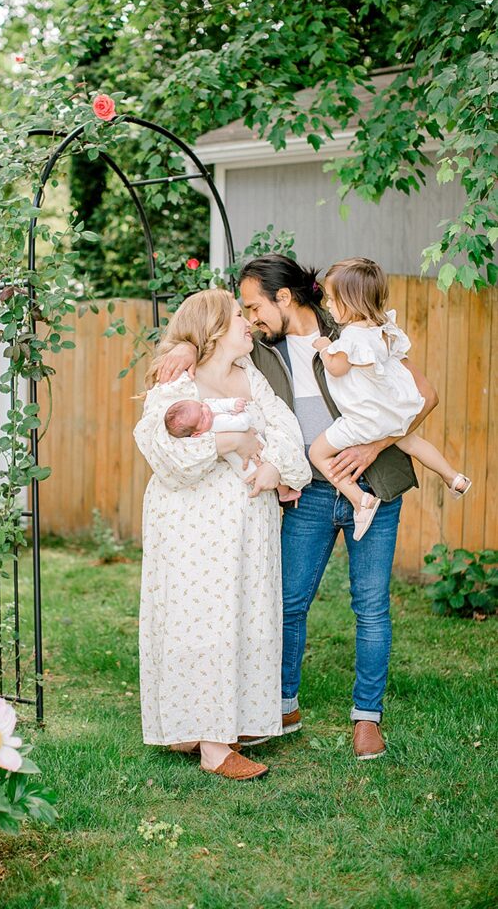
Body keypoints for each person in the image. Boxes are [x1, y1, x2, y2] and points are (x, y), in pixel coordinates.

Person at [156, 254, 439, 760]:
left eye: (254, 306)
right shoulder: (260, 352)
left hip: (372, 485)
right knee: (287, 603)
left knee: (370, 607)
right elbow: (209, 339)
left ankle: (366, 717)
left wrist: (374, 447)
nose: (250, 317)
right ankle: (282, 706)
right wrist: (179, 344)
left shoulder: (353, 328)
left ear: (283, 298)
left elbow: (424, 396)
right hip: (308, 491)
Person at [134, 289, 311, 780]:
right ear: (213, 328)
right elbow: (167, 456)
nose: (248, 323)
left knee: (244, 617)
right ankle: (211, 745)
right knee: (199, 619)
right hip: (193, 525)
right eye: (238, 316)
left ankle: (222, 724)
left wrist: (276, 467)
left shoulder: (251, 376)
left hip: (248, 525)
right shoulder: (177, 382)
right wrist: (230, 439)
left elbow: (287, 434)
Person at [309, 258, 471, 541]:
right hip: (391, 414)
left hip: (362, 420)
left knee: (317, 454)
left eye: (333, 300)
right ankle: (453, 476)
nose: (328, 306)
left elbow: (336, 368)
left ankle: (360, 500)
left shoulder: (352, 338)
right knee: (413, 443)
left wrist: (325, 348)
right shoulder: (384, 330)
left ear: (352, 301)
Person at [164, 397, 302, 500]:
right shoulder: (217, 424)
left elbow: (217, 404)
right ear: (197, 434)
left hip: (247, 453)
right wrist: (242, 413)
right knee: (272, 469)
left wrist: (232, 404)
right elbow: (242, 425)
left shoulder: (208, 414)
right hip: (248, 465)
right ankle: (284, 494)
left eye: (201, 406)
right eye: (202, 418)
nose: (206, 411)